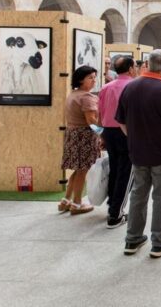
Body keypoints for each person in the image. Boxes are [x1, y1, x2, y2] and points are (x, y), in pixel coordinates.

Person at [116, 49, 161, 258]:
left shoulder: (130, 88)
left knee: (138, 193)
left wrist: (134, 138)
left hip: (138, 151)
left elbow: (121, 121)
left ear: (146, 64)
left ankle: (132, 239)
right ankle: (160, 241)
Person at [98, 55, 137, 229]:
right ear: (130, 69)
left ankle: (112, 205)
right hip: (125, 132)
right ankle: (115, 214)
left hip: (108, 132)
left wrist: (101, 135)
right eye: (135, 66)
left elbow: (101, 113)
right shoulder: (133, 87)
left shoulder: (106, 87)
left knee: (115, 168)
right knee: (126, 172)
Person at [59, 65, 101, 215]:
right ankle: (77, 203)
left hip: (72, 134)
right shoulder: (86, 97)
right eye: (90, 78)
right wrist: (102, 133)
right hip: (84, 136)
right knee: (82, 171)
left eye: (94, 77)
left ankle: (66, 200)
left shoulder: (73, 95)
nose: (94, 80)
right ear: (80, 80)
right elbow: (91, 121)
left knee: (77, 170)